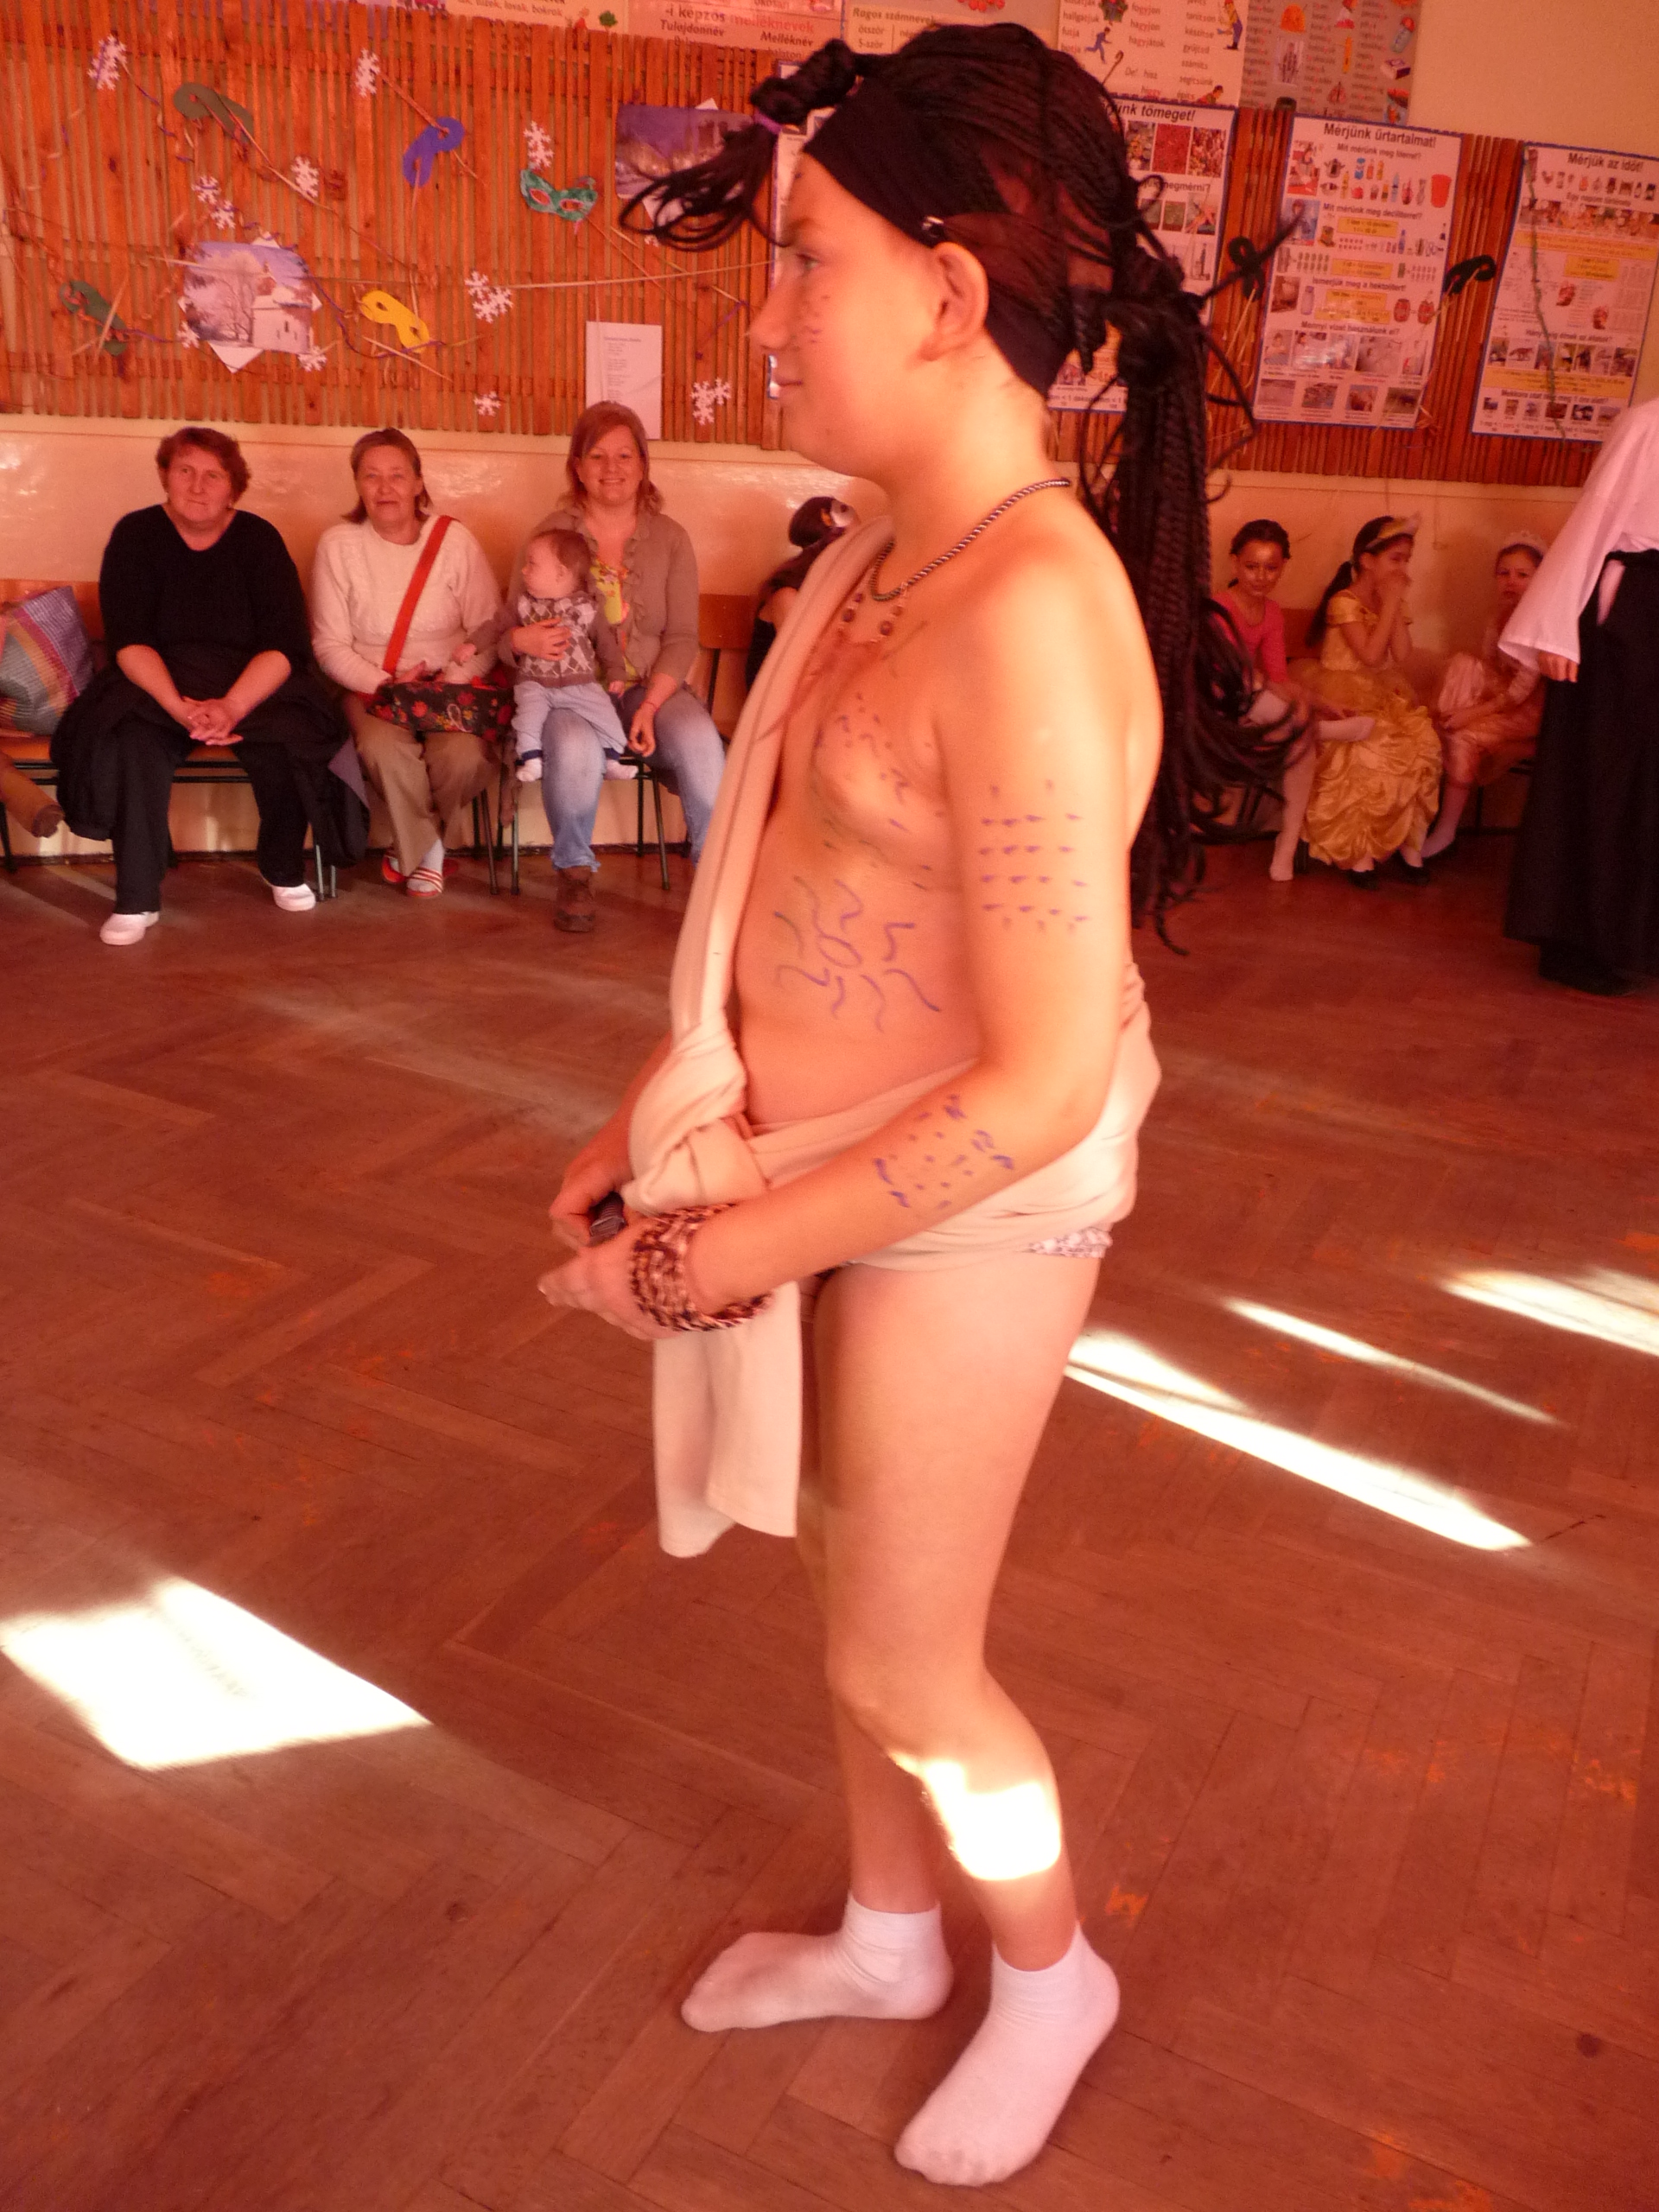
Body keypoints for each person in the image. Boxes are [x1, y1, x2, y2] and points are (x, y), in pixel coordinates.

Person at [537, 28, 1274, 2189]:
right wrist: (657, 1110)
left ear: (950, 295)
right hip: (807, 1165)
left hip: (967, 1207)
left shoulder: (1029, 610)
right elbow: (788, 876)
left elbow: (1041, 1082)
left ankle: (1047, 1971)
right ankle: (886, 1932)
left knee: (906, 1648)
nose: (768, 318)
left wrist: (710, 1253)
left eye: (805, 263)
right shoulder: (884, 549)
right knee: (847, 1586)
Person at [50, 425, 356, 947]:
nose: (198, 485)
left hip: (250, 683)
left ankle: (282, 866)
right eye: (185, 471)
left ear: (233, 487)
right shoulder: (136, 534)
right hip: (158, 682)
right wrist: (179, 707)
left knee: (296, 737)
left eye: (213, 475)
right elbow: (129, 639)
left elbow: (285, 644)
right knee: (128, 741)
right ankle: (137, 896)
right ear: (165, 476)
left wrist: (232, 706)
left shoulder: (259, 539)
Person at [503, 404, 727, 933]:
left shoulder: (671, 538)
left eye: (625, 455)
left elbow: (682, 637)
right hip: (567, 689)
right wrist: (518, 639)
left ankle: (716, 875)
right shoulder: (550, 532)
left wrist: (651, 706)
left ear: (643, 464)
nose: (612, 468)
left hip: (651, 686)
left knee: (699, 737)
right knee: (573, 743)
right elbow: (509, 621)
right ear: (577, 467)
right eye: (597, 455)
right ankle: (575, 871)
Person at [1501, 397, 1659, 995]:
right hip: (1631, 611)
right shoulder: (1647, 423)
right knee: (1602, 776)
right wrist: (1555, 625)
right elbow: (1594, 517)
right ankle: (1573, 940)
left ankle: (1635, 938)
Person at [310, 429, 506, 900]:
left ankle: (411, 845)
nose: (385, 488)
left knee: (462, 757)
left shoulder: (454, 541)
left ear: (419, 483)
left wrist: (450, 679)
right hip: (372, 689)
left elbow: (489, 631)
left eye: (397, 476)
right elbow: (329, 645)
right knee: (381, 748)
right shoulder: (337, 545)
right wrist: (387, 683)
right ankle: (430, 852)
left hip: (450, 688)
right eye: (372, 476)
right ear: (357, 484)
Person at [1218, 518, 1371, 881]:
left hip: (1256, 703)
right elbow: (1232, 673)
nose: (1260, 577)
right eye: (1251, 566)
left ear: (1283, 566)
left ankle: (1285, 845)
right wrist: (1297, 708)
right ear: (1235, 563)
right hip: (1219, 702)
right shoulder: (1220, 607)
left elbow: (1278, 676)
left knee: (1299, 743)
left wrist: (1318, 702)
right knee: (1250, 684)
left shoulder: (1272, 612)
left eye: (1271, 568)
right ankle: (1320, 730)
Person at [458, 527, 632, 833]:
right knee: (528, 718)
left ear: (561, 573)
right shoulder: (523, 605)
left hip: (580, 684)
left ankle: (612, 758)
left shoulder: (587, 608)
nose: (524, 571)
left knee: (606, 714)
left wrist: (617, 672)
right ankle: (532, 759)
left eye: (532, 564)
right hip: (535, 684)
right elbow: (495, 627)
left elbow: (606, 644)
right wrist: (472, 645)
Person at [1299, 514, 1440, 885]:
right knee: (1371, 751)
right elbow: (1371, 656)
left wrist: (1394, 604)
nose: (1402, 568)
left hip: (1381, 691)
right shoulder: (1343, 602)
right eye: (1395, 559)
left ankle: (1410, 846)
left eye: (1407, 560)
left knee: (1422, 743)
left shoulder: (1390, 601)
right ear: (1366, 560)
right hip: (1342, 693)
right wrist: (1391, 602)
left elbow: (1402, 654)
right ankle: (1358, 852)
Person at [1421, 533, 1546, 860]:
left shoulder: (1539, 625)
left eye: (1522, 575)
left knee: (1463, 735)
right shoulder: (1498, 616)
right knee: (1462, 664)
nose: (1511, 581)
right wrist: (1467, 703)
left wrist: (1471, 714)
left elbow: (1519, 693)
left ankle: (1446, 830)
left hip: (1527, 709)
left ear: (1539, 579)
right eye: (1504, 573)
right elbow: (1487, 667)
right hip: (1498, 697)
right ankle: (1443, 732)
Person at [744, 493, 857, 688]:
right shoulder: (787, 596)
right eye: (854, 543)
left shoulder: (844, 588)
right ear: (832, 546)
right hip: (777, 695)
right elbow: (807, 666)